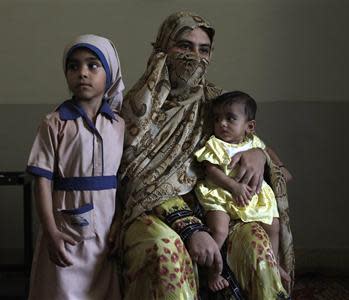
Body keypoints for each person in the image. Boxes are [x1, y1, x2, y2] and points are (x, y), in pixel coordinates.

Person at [119, 11, 294, 299]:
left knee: (256, 247)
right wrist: (191, 230)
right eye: (184, 46)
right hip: (151, 213)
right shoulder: (138, 108)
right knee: (166, 253)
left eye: (203, 50)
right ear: (163, 47)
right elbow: (134, 180)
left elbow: (254, 143)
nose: (194, 57)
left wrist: (259, 154)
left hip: (215, 210)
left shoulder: (215, 104)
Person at [26, 34, 125, 300]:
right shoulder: (54, 123)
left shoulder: (119, 125)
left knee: (104, 288)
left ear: (110, 72)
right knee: (62, 288)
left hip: (106, 228)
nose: (82, 73)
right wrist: (50, 232)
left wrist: (119, 222)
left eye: (93, 65)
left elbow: (123, 180)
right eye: (74, 66)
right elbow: (42, 181)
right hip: (65, 228)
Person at [194, 91, 292, 291]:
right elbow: (210, 171)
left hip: (250, 198)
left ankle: (274, 265)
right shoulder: (214, 144)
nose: (222, 123)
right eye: (217, 118)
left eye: (230, 118)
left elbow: (270, 154)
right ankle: (213, 273)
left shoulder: (254, 144)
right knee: (219, 231)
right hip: (221, 195)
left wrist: (280, 167)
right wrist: (233, 186)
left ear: (249, 127)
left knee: (273, 226)